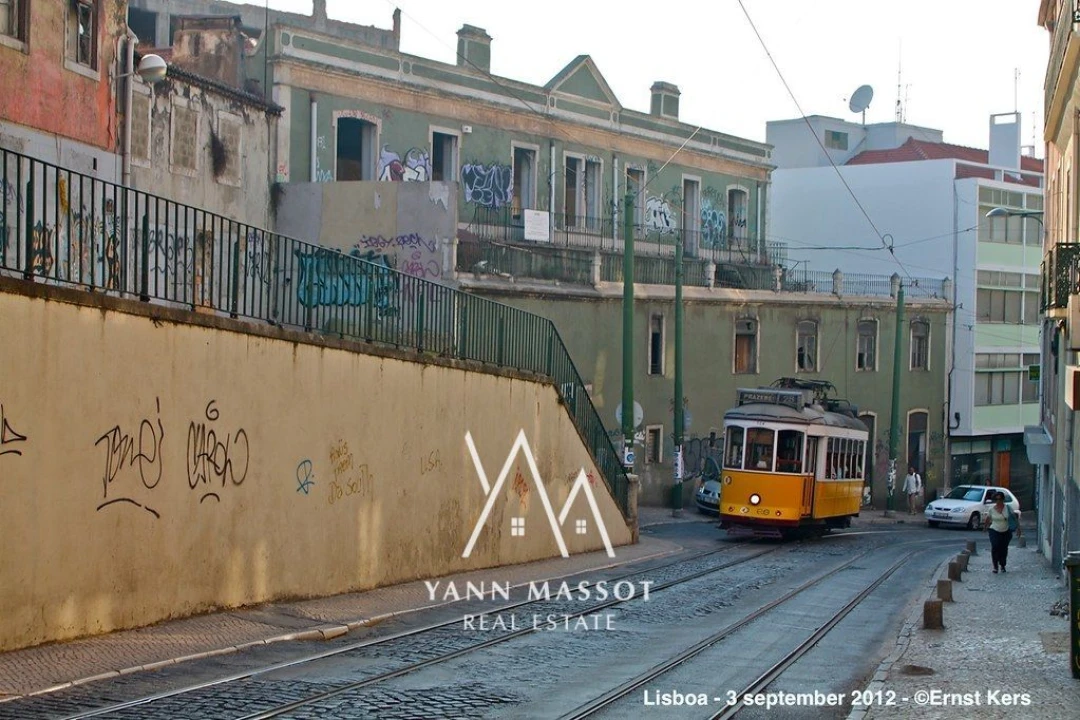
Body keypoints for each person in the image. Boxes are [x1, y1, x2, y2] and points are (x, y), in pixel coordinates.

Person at [983, 492, 1020, 573]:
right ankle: (995, 566)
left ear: (1003, 499)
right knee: (995, 546)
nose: (998, 501)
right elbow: (988, 519)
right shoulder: (991, 509)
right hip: (994, 530)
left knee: (1003, 548)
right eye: (996, 499)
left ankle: (1002, 565)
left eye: (1000, 499)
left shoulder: (1008, 508)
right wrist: (985, 527)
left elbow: (1014, 518)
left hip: (1006, 531)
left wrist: (1018, 529)